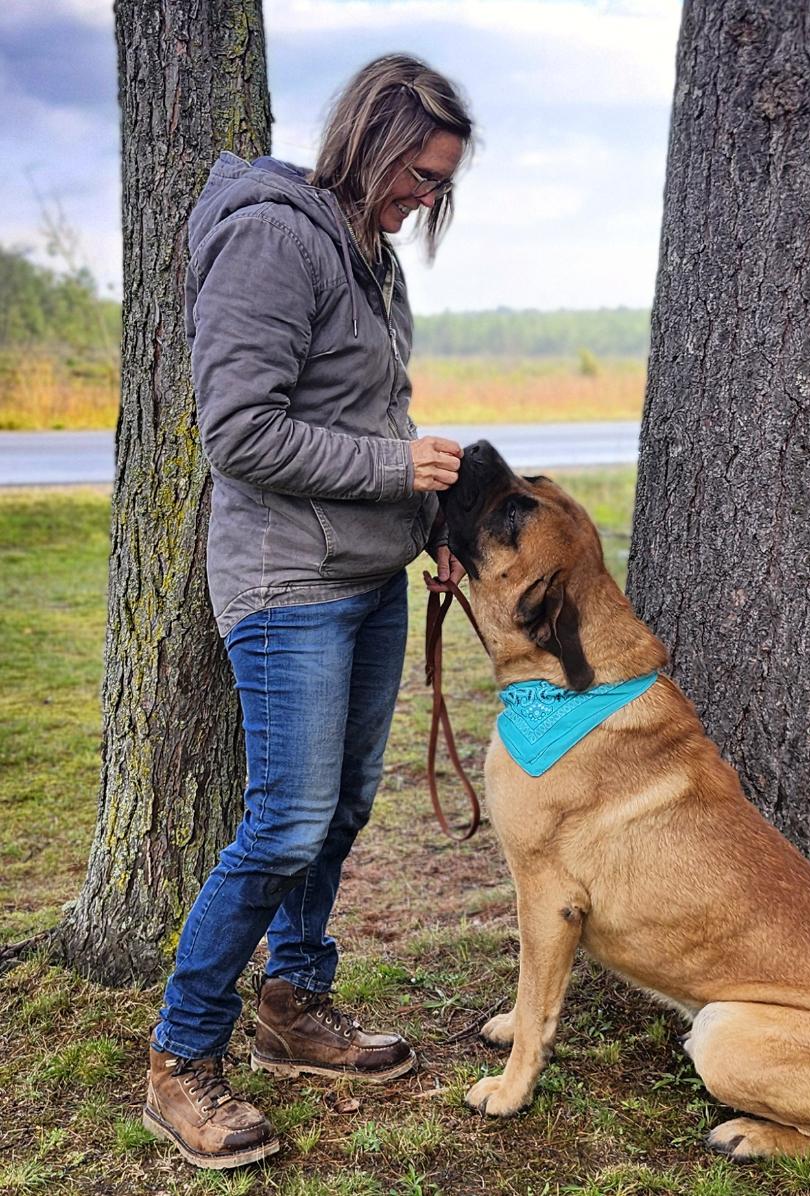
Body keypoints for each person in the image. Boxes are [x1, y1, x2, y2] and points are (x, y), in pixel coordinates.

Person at [142, 54, 473, 1170]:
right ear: (374, 142)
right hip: (287, 581)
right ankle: (181, 1058)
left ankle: (294, 1005)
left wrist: (432, 524)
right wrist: (395, 467)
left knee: (340, 812)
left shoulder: (370, 253)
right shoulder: (274, 235)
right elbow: (238, 429)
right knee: (282, 822)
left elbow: (370, 408)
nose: (427, 197)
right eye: (420, 174)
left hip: (371, 573)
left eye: (440, 183)